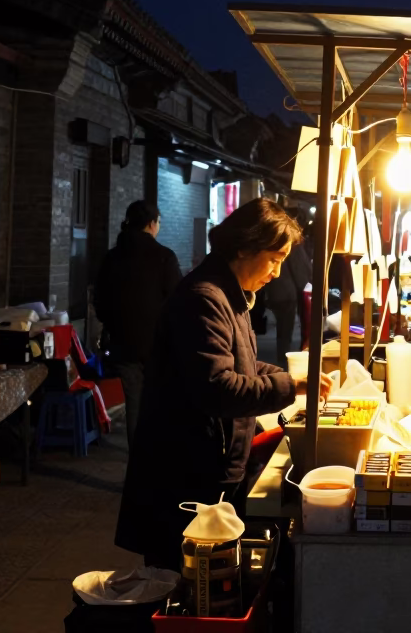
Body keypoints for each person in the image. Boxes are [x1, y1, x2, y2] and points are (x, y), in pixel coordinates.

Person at [115, 198, 332, 570]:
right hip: (186, 474)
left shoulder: (230, 294)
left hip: (207, 465)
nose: (278, 273)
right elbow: (218, 387)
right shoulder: (204, 299)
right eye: (275, 259)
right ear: (246, 246)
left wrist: (290, 378)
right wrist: (289, 387)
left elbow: (242, 364)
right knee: (185, 582)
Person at [93, 200, 182, 448]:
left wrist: (113, 322)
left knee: (134, 403)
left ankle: (137, 464)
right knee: (161, 401)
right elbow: (178, 300)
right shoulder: (164, 257)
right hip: (159, 345)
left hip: (122, 345)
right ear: (151, 224)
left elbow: (99, 299)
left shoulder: (111, 258)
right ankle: (159, 457)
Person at [262, 228, 312, 353]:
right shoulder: (293, 244)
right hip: (287, 292)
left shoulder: (278, 240)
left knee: (282, 325)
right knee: (286, 326)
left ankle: (282, 352)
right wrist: (304, 287)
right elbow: (299, 268)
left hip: (277, 290)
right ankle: (283, 354)